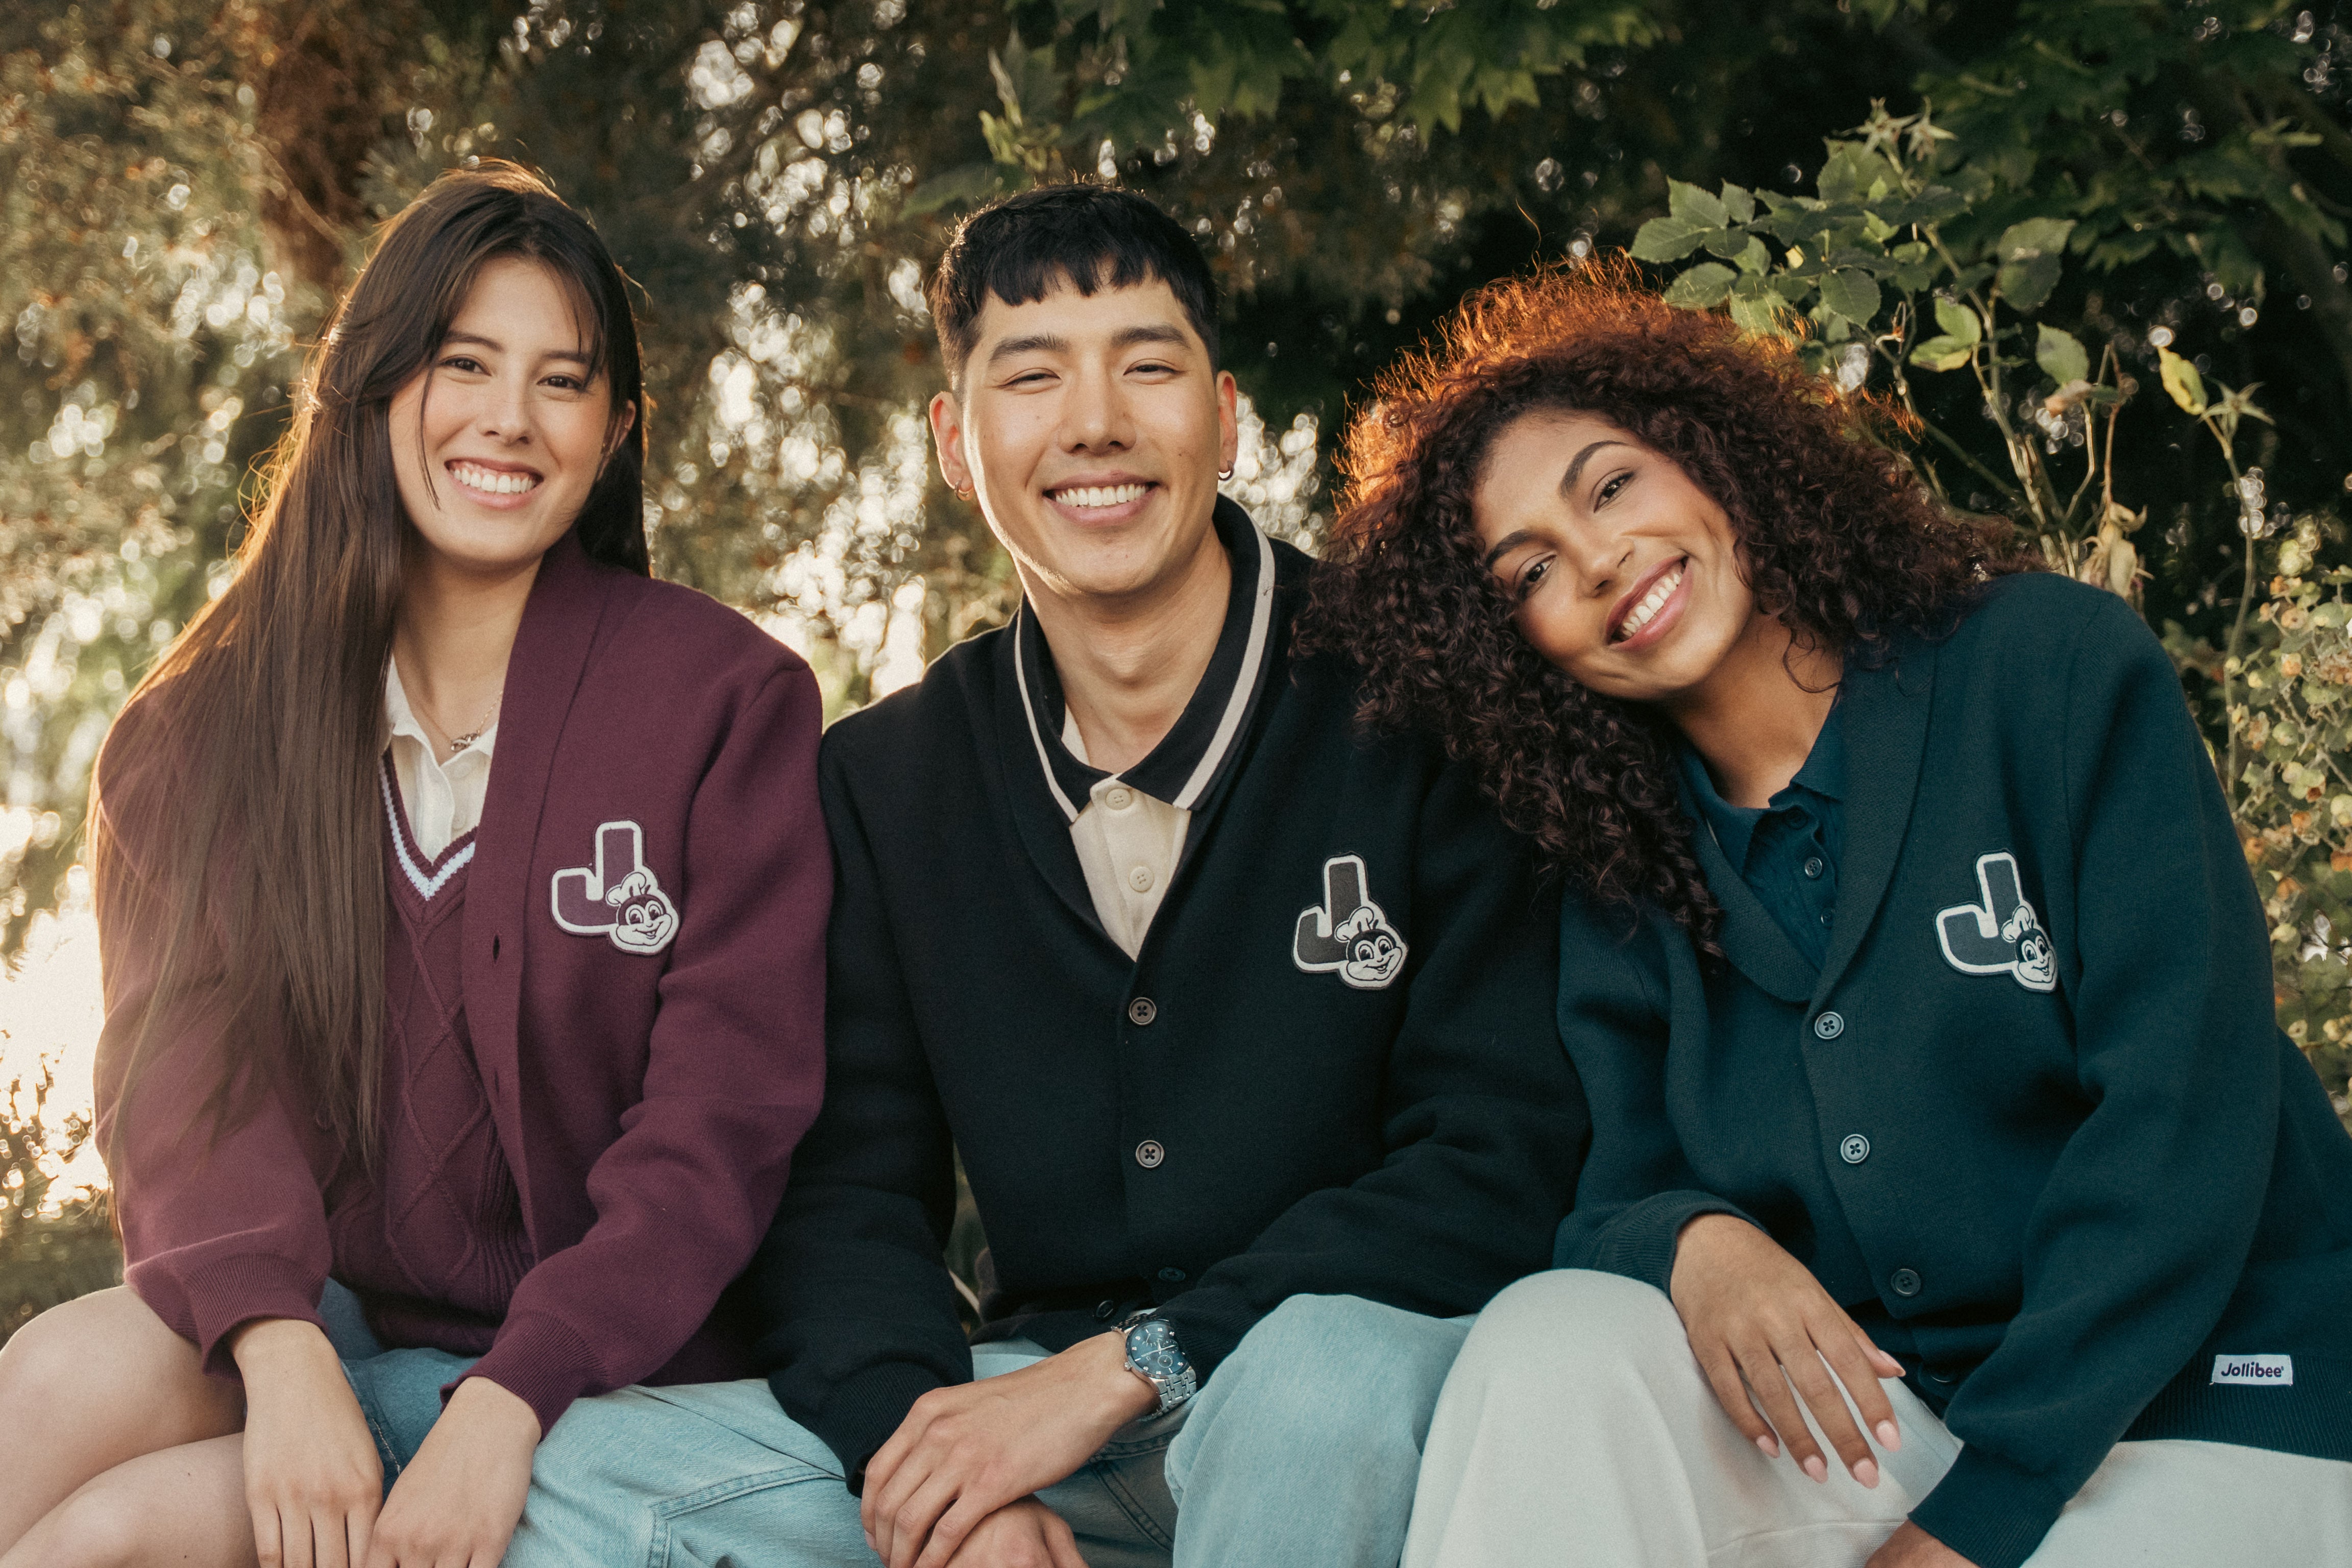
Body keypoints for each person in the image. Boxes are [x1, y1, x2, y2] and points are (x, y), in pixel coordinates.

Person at [507, 183, 1587, 1568]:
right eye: (1033, 378)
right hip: (1042, 1418)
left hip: (1374, 1398)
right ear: (957, 443)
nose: (1096, 425)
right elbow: (847, 1202)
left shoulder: (1421, 705)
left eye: (1148, 365)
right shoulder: (886, 782)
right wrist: (946, 1475)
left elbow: (1502, 1155)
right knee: (588, 1473)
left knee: (1318, 1383)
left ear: (1226, 414)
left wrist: (1143, 1360)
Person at [1307, 264, 2352, 1568]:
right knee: (1555, 1341)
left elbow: (2183, 1116)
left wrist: (1977, 1518)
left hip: (2217, 1424)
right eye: (1531, 572)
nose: (1601, 560)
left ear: (1711, 457)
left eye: (1613, 486)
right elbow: (1607, 1190)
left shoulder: (2049, 670)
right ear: (1521, 650)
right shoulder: (1621, 867)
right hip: (1906, 1434)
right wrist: (1696, 1243)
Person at [0, 163, 830, 1568]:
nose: (509, 419)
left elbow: (717, 1133)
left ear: (615, 430)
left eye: (562, 382)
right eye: (463, 365)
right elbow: (191, 1090)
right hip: (331, 1340)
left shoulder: (724, 703)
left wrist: (508, 1407)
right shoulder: (201, 732)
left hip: (609, 1384)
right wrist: (280, 1358)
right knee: (48, 1383)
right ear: (376, 388)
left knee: (110, 1542)